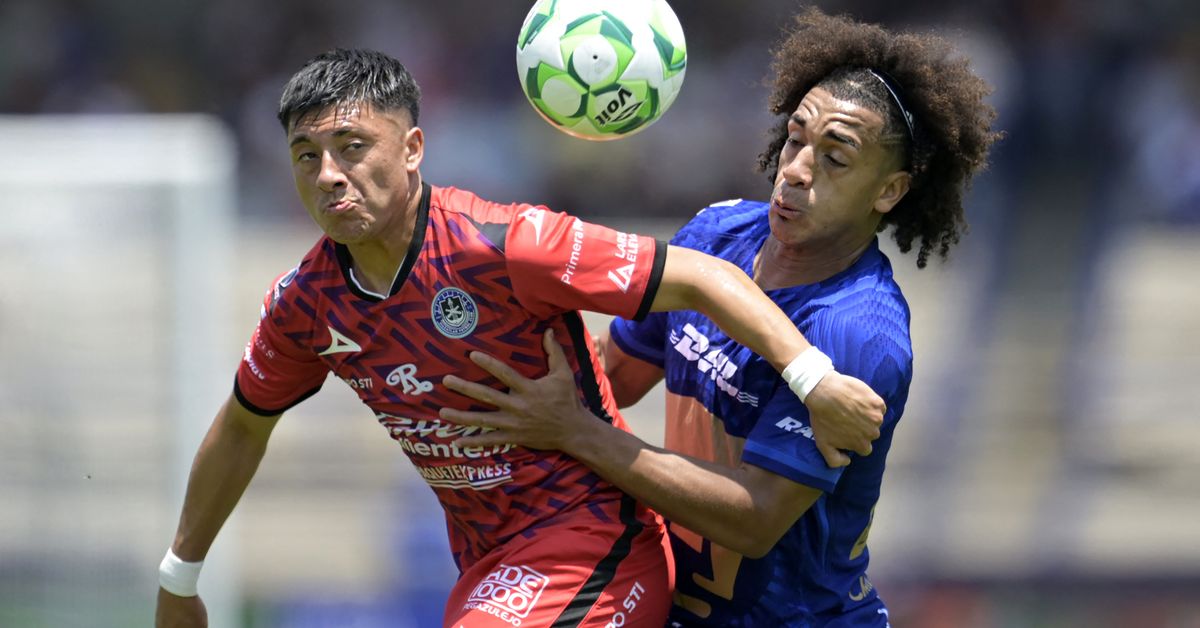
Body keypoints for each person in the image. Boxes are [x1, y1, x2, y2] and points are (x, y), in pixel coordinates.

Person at [154, 48, 890, 628]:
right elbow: (243, 425)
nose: (329, 175)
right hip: (491, 566)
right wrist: (179, 575)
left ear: (412, 148)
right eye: (306, 156)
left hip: (595, 549)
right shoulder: (306, 304)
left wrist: (813, 379)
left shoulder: (506, 245)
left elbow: (701, 278)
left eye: (351, 147)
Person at [440, 8, 1001, 627]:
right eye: (795, 139)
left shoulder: (856, 331)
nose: (796, 170)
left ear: (889, 191)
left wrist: (577, 431)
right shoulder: (716, 234)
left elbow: (754, 520)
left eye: (836, 159)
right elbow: (616, 376)